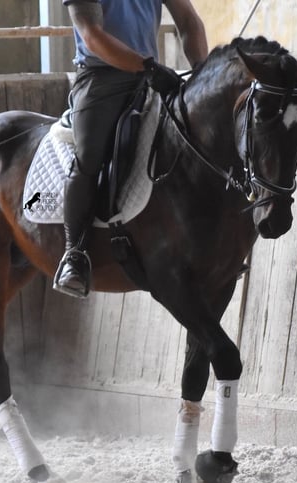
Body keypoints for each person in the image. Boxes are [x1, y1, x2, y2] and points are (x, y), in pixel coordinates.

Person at [53, 0, 209, 298]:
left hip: (151, 76)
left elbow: (189, 21)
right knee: (90, 156)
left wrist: (202, 71)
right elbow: (92, 36)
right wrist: (146, 67)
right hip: (101, 78)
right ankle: (74, 253)